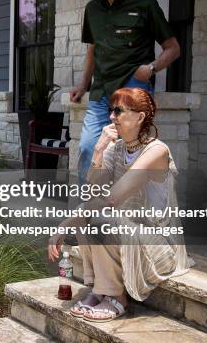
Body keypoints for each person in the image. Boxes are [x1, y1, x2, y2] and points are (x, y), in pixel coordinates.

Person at [48, 87, 192, 322]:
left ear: (140, 117)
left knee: (99, 218)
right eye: (110, 110)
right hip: (126, 229)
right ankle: (99, 290)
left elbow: (111, 199)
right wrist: (97, 150)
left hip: (158, 242)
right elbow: (92, 194)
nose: (112, 116)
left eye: (119, 111)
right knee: (87, 213)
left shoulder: (156, 151)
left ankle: (117, 297)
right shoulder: (116, 149)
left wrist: (64, 225)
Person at [70, 0, 181, 183]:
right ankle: (87, 209)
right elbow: (93, 49)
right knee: (89, 146)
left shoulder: (145, 4)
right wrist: (83, 84)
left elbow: (173, 48)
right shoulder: (92, 9)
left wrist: (151, 68)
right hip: (101, 89)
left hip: (132, 87)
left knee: (131, 153)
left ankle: (127, 210)